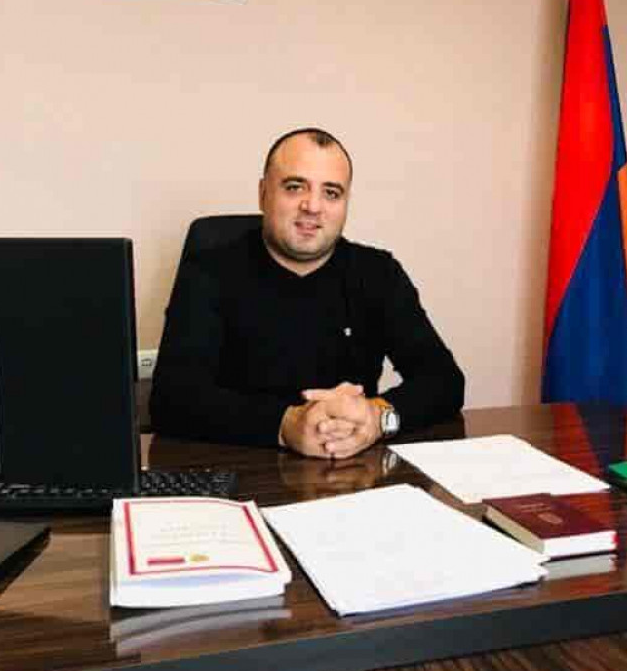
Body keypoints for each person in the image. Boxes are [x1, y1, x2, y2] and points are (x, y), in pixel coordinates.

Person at [149, 128, 465, 459]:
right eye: (294, 187)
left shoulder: (378, 273)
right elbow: (172, 398)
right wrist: (284, 424)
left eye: (331, 193)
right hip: (240, 471)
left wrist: (377, 416)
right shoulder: (209, 272)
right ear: (263, 194)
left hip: (352, 470)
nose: (312, 206)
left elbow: (444, 380)